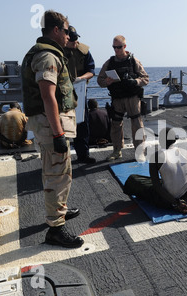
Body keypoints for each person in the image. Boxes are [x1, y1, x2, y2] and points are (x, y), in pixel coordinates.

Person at [21, 10, 83, 248]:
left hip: (49, 124)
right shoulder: (47, 56)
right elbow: (48, 97)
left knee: (60, 174)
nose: (69, 35)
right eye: (66, 31)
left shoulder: (48, 52)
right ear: (55, 30)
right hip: (51, 126)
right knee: (57, 176)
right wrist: (58, 134)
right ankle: (56, 230)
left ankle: (60, 211)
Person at [124, 128, 187, 215]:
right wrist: (184, 201)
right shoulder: (186, 153)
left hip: (166, 202)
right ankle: (180, 201)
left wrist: (176, 203)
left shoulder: (156, 156)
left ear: (161, 141)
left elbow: (156, 186)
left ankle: (175, 202)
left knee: (133, 179)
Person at [97, 35, 149, 161]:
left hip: (132, 97)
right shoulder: (109, 63)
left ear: (125, 46)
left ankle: (140, 152)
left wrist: (135, 81)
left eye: (119, 47)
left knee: (137, 123)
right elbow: (100, 80)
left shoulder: (133, 61)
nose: (116, 50)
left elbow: (145, 78)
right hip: (117, 98)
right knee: (115, 123)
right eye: (114, 47)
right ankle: (117, 150)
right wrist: (107, 82)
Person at [64, 26, 96, 164]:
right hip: (62, 93)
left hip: (80, 91)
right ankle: (63, 157)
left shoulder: (84, 52)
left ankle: (83, 155)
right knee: (62, 123)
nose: (75, 42)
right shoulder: (57, 51)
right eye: (72, 39)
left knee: (82, 123)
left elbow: (91, 70)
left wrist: (81, 78)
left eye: (77, 39)